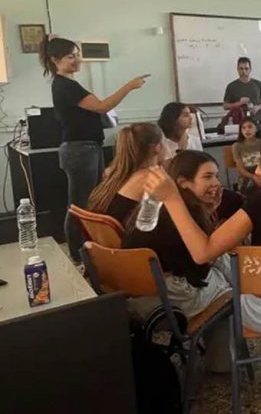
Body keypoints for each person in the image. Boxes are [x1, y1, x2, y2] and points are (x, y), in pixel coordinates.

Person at [144, 134, 261, 374]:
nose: (257, 171)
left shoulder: (260, 201)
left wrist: (171, 198)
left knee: (243, 277)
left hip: (258, 314)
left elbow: (202, 253)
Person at [39, 35, 148, 258]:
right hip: (79, 150)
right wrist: (129, 86)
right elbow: (102, 106)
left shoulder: (68, 84)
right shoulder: (65, 86)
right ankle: (78, 254)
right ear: (55, 60)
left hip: (87, 147)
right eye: (71, 57)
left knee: (91, 200)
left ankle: (90, 249)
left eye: (77, 55)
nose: (77, 60)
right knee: (80, 205)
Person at [124, 151, 233, 371]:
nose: (216, 183)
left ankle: (221, 360)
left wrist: (208, 214)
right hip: (169, 300)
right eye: (208, 176)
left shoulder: (154, 204)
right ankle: (221, 361)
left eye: (217, 176)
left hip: (138, 297)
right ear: (183, 183)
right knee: (230, 286)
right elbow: (199, 269)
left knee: (223, 266)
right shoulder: (188, 211)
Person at [88, 122, 164, 223]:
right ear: (158, 147)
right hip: (128, 231)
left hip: (105, 232)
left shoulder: (112, 173)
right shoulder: (151, 179)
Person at [222, 57, 261, 137]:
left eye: (246, 68)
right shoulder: (231, 86)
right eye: (241, 69)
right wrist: (239, 103)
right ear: (237, 69)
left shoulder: (258, 84)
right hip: (240, 124)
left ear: (250, 69)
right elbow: (225, 106)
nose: (244, 71)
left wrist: (258, 107)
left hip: (257, 121)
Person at [231, 115, 261, 192]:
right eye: (243, 128)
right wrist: (253, 177)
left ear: (256, 129)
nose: (247, 130)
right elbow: (240, 169)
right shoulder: (237, 146)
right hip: (247, 177)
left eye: (250, 127)